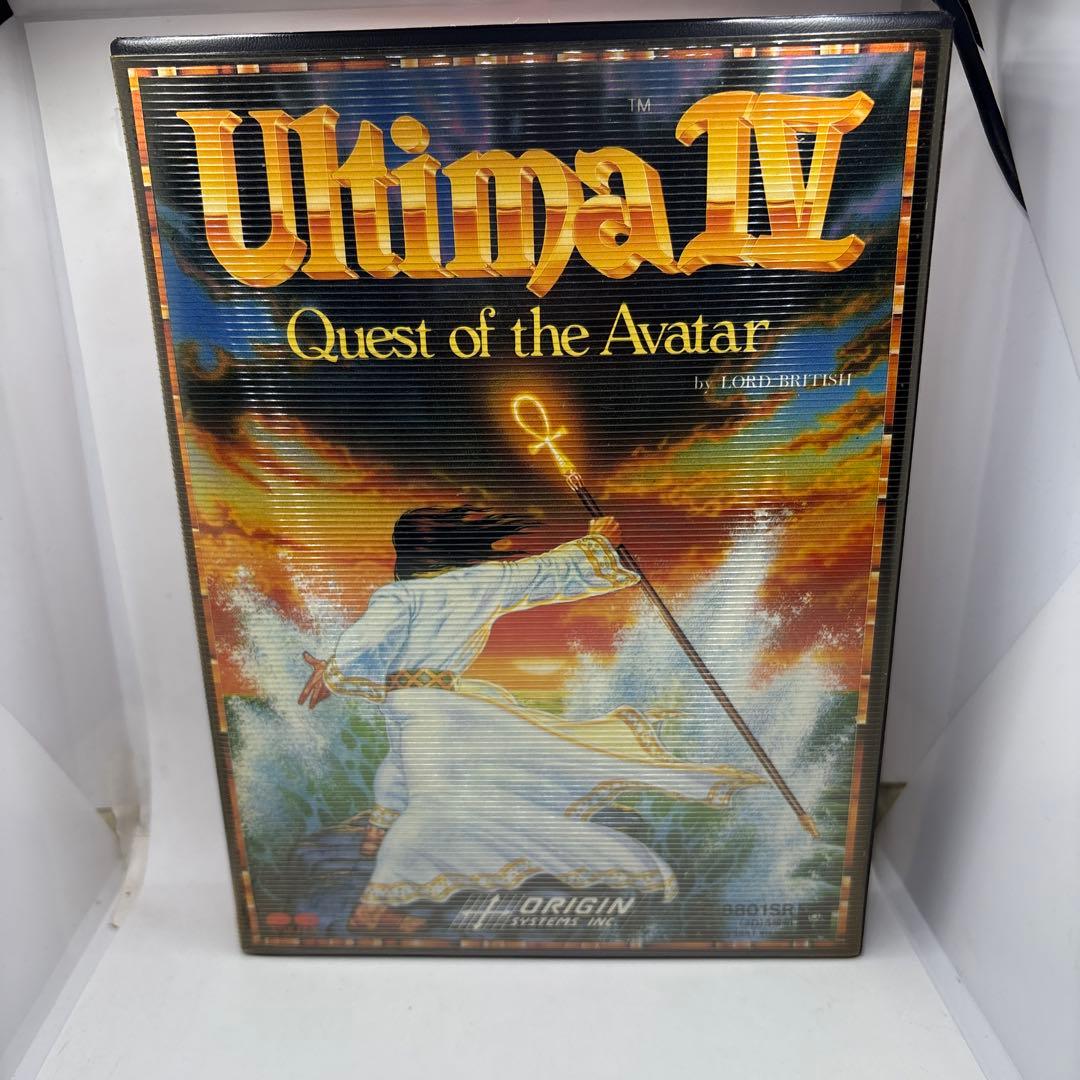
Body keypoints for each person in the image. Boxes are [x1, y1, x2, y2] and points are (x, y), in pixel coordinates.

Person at [299, 506, 761, 933]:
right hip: (439, 703)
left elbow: (363, 644)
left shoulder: (397, 596)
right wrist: (598, 541)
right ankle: (375, 850)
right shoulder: (482, 581)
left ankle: (376, 893)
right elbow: (547, 572)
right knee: (409, 774)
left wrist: (333, 672)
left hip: (417, 706)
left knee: (426, 794)